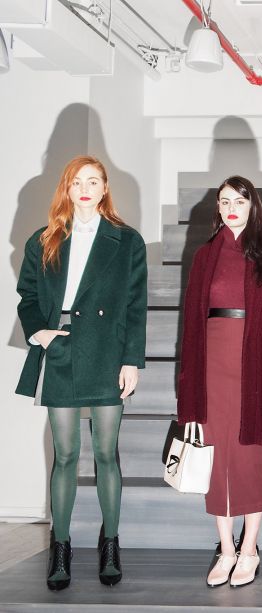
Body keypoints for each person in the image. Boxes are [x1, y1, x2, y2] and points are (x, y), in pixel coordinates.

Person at [16, 155, 147, 590]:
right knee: (66, 455)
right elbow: (27, 295)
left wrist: (132, 360)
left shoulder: (127, 241)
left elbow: (135, 307)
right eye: (77, 182)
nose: (85, 188)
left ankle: (110, 543)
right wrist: (40, 333)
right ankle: (61, 547)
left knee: (107, 452)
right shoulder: (44, 239)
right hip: (62, 350)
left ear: (105, 187)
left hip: (108, 353)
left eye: (94, 181)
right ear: (67, 189)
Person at [177, 175, 262, 588]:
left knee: (250, 457)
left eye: (240, 201)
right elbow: (190, 326)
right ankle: (226, 550)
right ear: (217, 207)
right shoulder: (205, 256)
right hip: (212, 366)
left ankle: (250, 550)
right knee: (216, 458)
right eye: (225, 201)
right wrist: (188, 388)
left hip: (255, 366)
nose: (232, 208)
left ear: (253, 207)